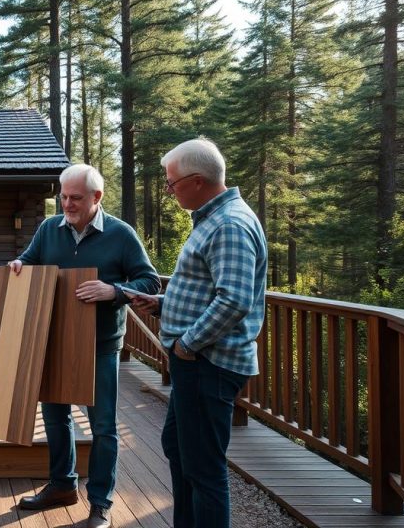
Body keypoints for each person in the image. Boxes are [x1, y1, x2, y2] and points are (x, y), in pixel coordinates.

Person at [0, 164, 160, 528]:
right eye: (63, 196)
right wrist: (10, 267)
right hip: (52, 337)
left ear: (97, 198)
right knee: (56, 418)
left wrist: (115, 290)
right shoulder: (48, 229)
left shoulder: (121, 234)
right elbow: (27, 262)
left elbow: (150, 282)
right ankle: (62, 486)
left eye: (75, 198)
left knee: (103, 426)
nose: (67, 204)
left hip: (100, 345)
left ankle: (101, 504)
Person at [130, 138, 266, 528]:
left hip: (209, 362)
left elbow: (234, 300)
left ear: (196, 181)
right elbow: (208, 289)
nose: (169, 190)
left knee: (204, 468)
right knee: (178, 447)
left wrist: (187, 345)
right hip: (197, 362)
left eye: (171, 183)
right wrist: (161, 304)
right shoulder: (215, 220)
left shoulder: (230, 225)